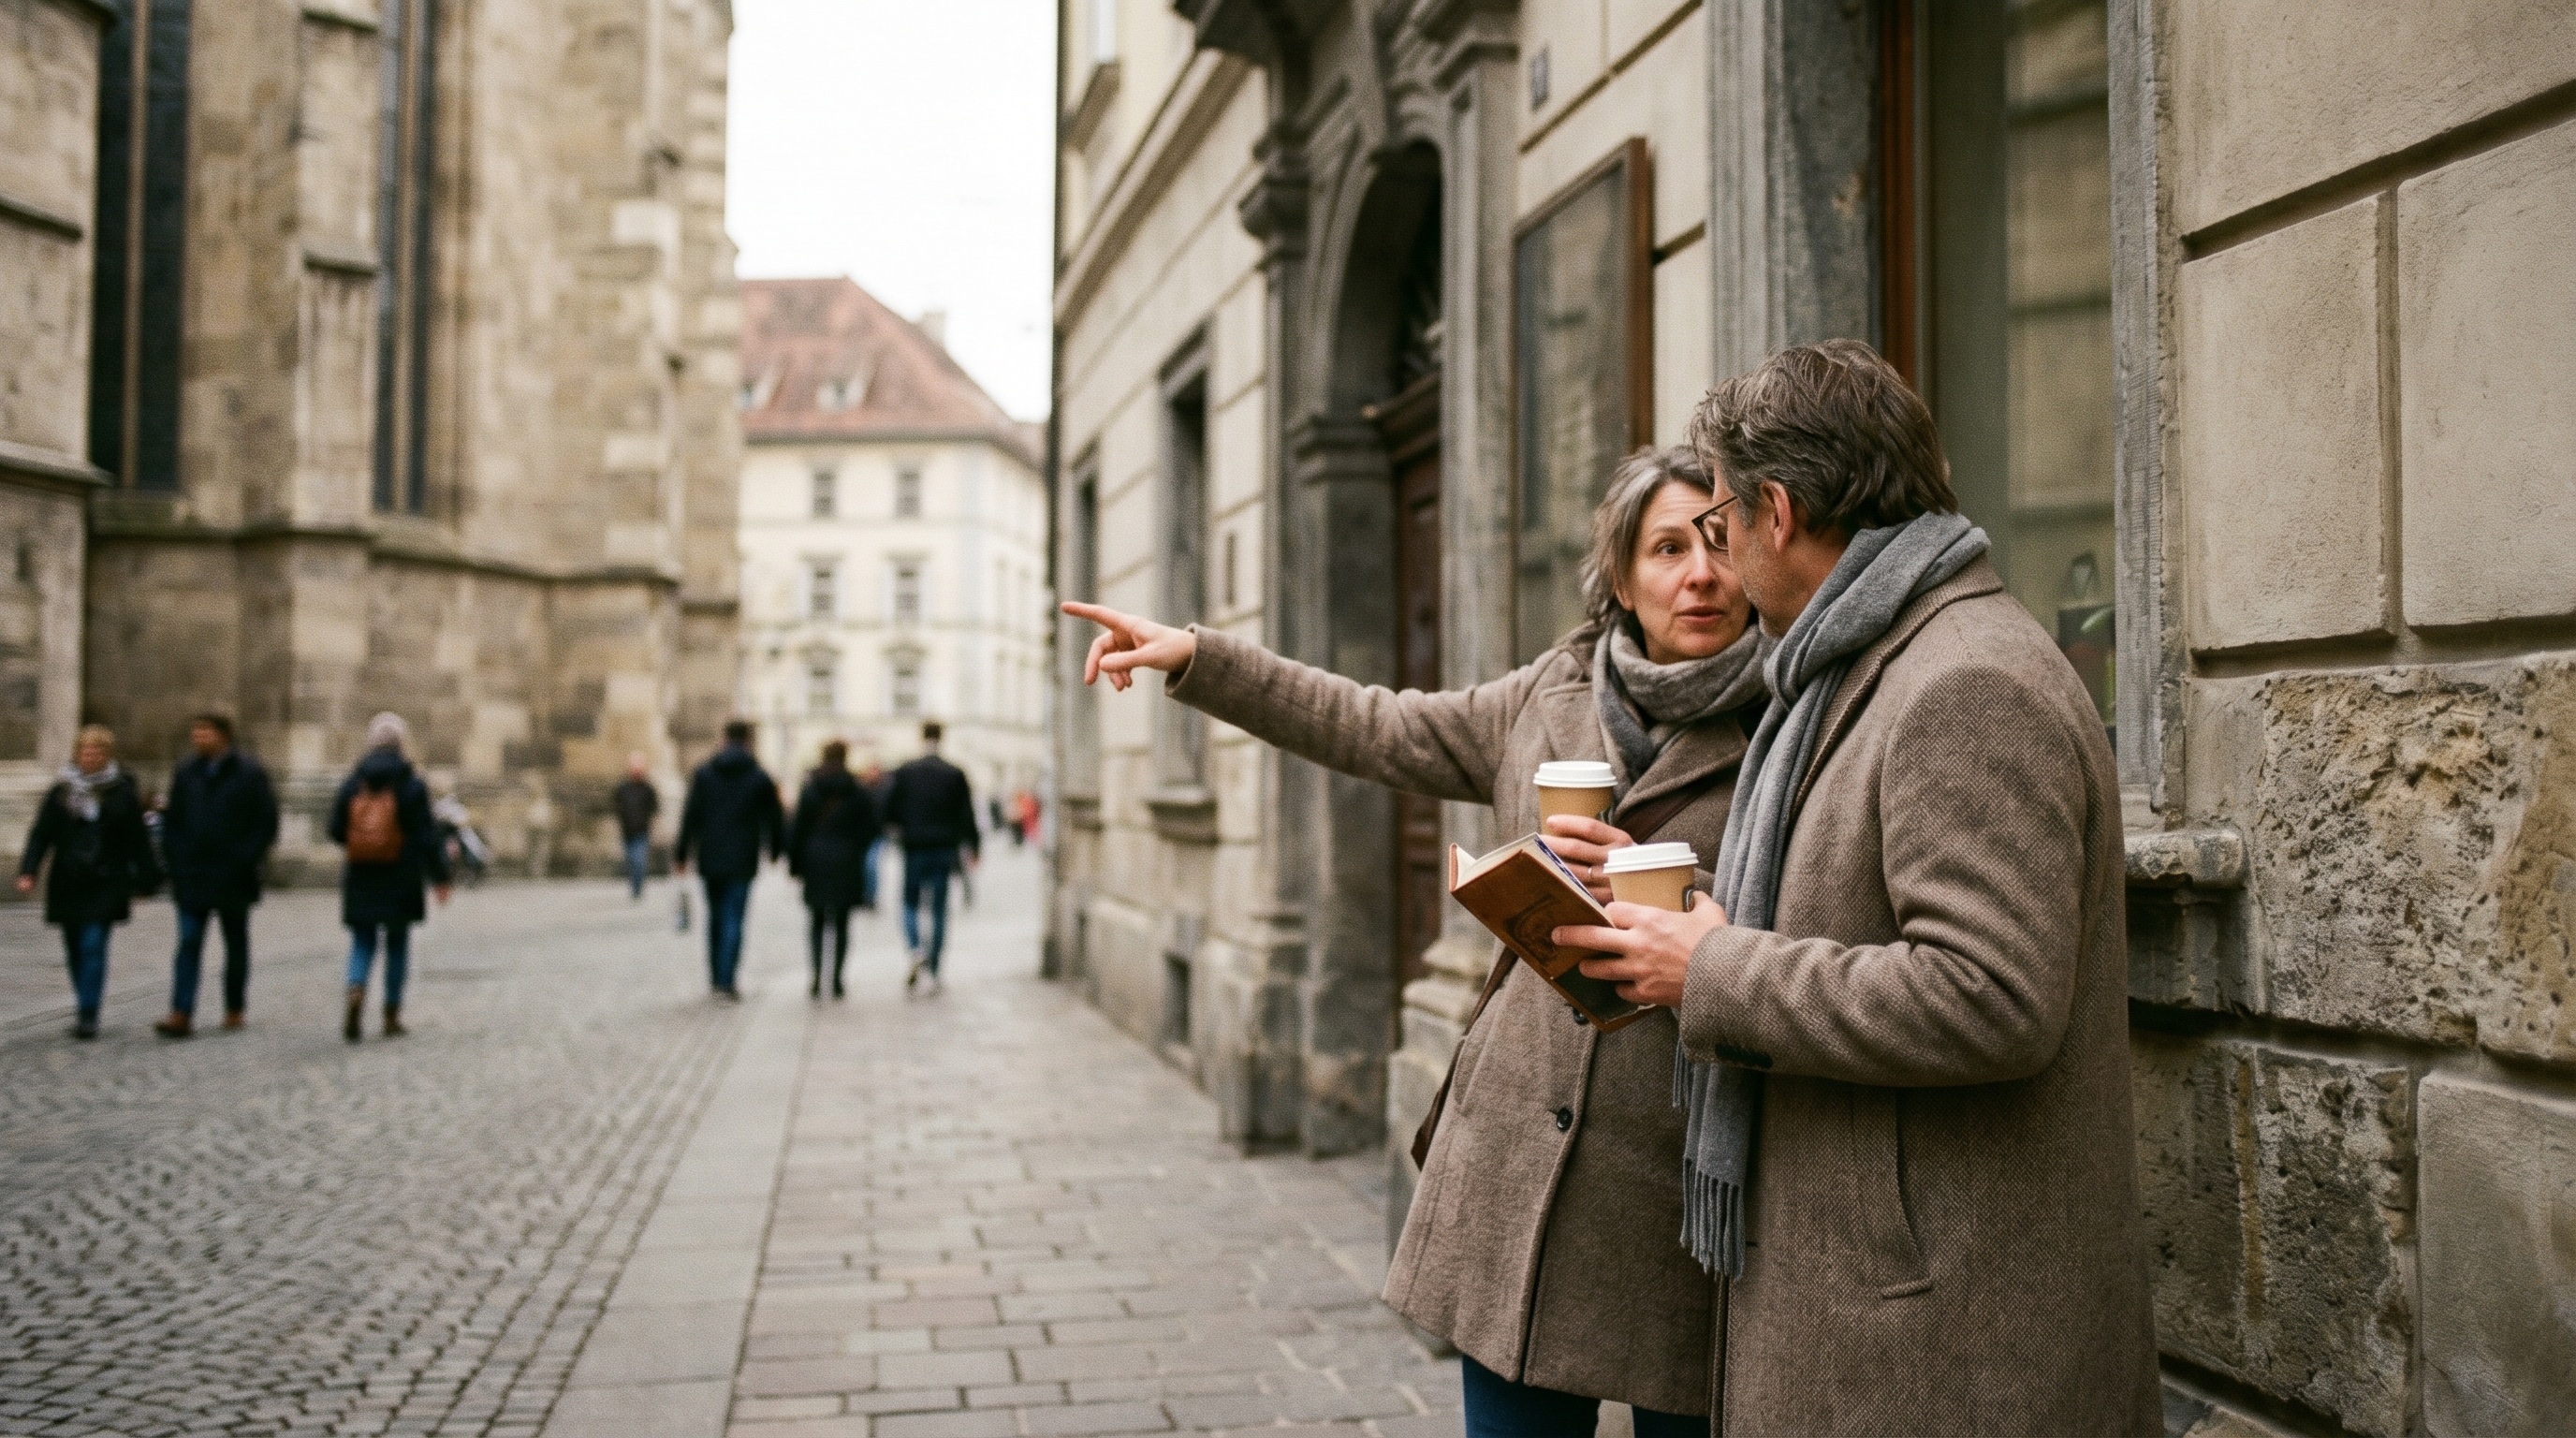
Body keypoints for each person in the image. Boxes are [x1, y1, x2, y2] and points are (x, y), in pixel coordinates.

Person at [1066, 445, 1763, 1433]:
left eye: (1718, 544)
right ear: (1619, 576)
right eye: (1663, 549)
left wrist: (1688, 901)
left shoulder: (1790, 722)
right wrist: (1200, 659)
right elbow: (1374, 725)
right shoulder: (1547, 695)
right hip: (1515, 1165)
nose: (1698, 574)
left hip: (1683, 1178)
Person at [1557, 342, 2160, 1433]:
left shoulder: (1962, 681)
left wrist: (1717, 968)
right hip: (1887, 1305)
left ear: (1776, 511)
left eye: (1724, 520)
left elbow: (1991, 997)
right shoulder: (1872, 657)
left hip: (1939, 1334)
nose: (1721, 556)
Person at [16, 725, 160, 1040]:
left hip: (107, 879)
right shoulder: (62, 791)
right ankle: (85, 1003)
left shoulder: (121, 790)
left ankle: (88, 1013)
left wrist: (148, 879)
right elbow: (42, 834)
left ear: (106, 755)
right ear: (77, 753)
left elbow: (137, 838)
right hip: (69, 879)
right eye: (84, 750)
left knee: (93, 944)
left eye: (96, 751)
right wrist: (28, 870)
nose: (89, 756)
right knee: (74, 948)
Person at [153, 713, 279, 1037]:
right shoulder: (186, 772)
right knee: (189, 941)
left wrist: (246, 858)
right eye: (196, 732)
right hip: (193, 874)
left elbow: (265, 821)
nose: (198, 738)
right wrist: (176, 860)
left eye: (205, 732)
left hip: (233, 875)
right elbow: (174, 821)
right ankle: (181, 1012)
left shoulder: (248, 772)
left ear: (223, 736)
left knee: (234, 942)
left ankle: (234, 1006)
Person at [328, 712, 450, 1042]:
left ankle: (356, 988)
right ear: (400, 744)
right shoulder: (411, 783)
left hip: (362, 873)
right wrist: (441, 877)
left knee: (362, 941)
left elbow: (336, 829)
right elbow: (427, 835)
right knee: (397, 944)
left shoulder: (354, 782)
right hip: (401, 873)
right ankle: (391, 1013)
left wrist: (363, 842)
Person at [675, 719, 783, 999]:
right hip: (743, 856)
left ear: (724, 739)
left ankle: (715, 978)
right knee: (734, 917)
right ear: (748, 740)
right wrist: (776, 851)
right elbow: (773, 818)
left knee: (715, 917)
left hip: (710, 855)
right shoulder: (759, 776)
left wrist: (682, 852)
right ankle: (727, 980)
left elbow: (691, 815)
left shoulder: (705, 773)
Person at [882, 721, 979, 994]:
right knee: (938, 909)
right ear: (941, 738)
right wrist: (974, 845)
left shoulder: (905, 772)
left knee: (910, 903)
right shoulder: (954, 773)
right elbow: (966, 813)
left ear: (921, 737)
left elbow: (888, 809)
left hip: (914, 847)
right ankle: (934, 970)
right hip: (944, 847)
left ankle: (915, 949)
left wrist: (900, 828)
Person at [788, 740, 881, 999]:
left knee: (817, 921)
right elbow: (873, 827)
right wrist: (856, 848)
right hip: (846, 861)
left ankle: (817, 977)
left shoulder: (810, 789)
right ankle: (837, 979)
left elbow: (798, 830)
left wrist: (796, 865)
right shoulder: (857, 789)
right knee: (841, 923)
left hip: (815, 860)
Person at [613, 753, 659, 900]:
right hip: (627, 830)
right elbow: (617, 804)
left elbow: (654, 807)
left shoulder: (648, 788)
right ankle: (634, 885)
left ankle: (638, 887)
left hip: (641, 830)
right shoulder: (623, 788)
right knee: (631, 860)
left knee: (639, 859)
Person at [856, 759, 889, 911]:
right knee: (863, 865)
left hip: (878, 834)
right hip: (862, 834)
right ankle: (863, 894)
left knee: (871, 865)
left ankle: (870, 896)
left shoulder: (885, 789)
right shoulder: (860, 789)